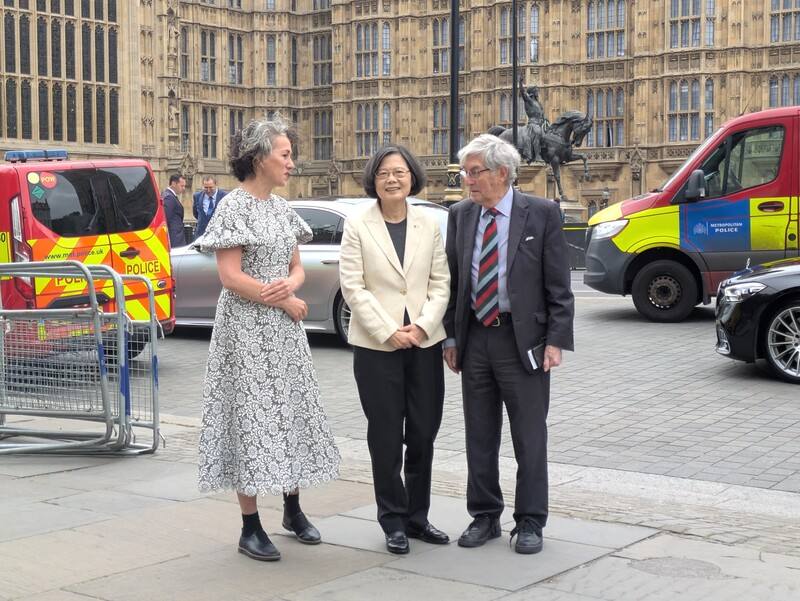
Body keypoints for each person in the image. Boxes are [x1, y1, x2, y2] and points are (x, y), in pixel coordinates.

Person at [197, 115, 340, 562]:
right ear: (259, 158)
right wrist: (282, 300)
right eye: (285, 155)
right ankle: (250, 526)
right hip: (245, 331)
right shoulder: (232, 207)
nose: (292, 163)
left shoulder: (282, 209)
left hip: (282, 333)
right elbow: (229, 277)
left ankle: (293, 510)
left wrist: (291, 284)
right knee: (251, 418)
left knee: (289, 412)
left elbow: (297, 265)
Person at [442, 134, 574, 555]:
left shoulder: (541, 213)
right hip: (476, 337)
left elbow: (559, 285)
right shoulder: (461, 215)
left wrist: (555, 340)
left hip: (524, 340)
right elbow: (454, 282)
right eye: (466, 172)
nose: (467, 181)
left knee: (529, 437)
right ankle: (484, 515)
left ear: (502, 173)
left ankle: (531, 521)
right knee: (479, 434)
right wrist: (451, 335)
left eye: (474, 172)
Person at [339, 145, 451, 555]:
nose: (392, 179)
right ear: (374, 178)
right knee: (386, 436)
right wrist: (389, 331)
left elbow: (441, 283)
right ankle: (393, 520)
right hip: (376, 346)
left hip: (423, 343)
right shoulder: (358, 225)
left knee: (423, 433)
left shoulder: (429, 224)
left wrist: (421, 326)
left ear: (411, 177)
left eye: (400, 172)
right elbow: (353, 286)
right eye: (384, 173)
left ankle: (417, 518)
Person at [519, 78, 546, 163]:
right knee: (537, 133)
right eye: (536, 90)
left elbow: (542, 115)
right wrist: (520, 83)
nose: (537, 92)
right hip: (533, 124)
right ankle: (537, 156)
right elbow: (523, 93)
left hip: (540, 124)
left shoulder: (538, 103)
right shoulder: (529, 101)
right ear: (533, 92)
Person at [162, 173, 187, 247]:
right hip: (174, 238)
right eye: (181, 186)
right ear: (173, 184)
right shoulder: (169, 197)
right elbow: (166, 218)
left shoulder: (169, 195)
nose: (184, 188)